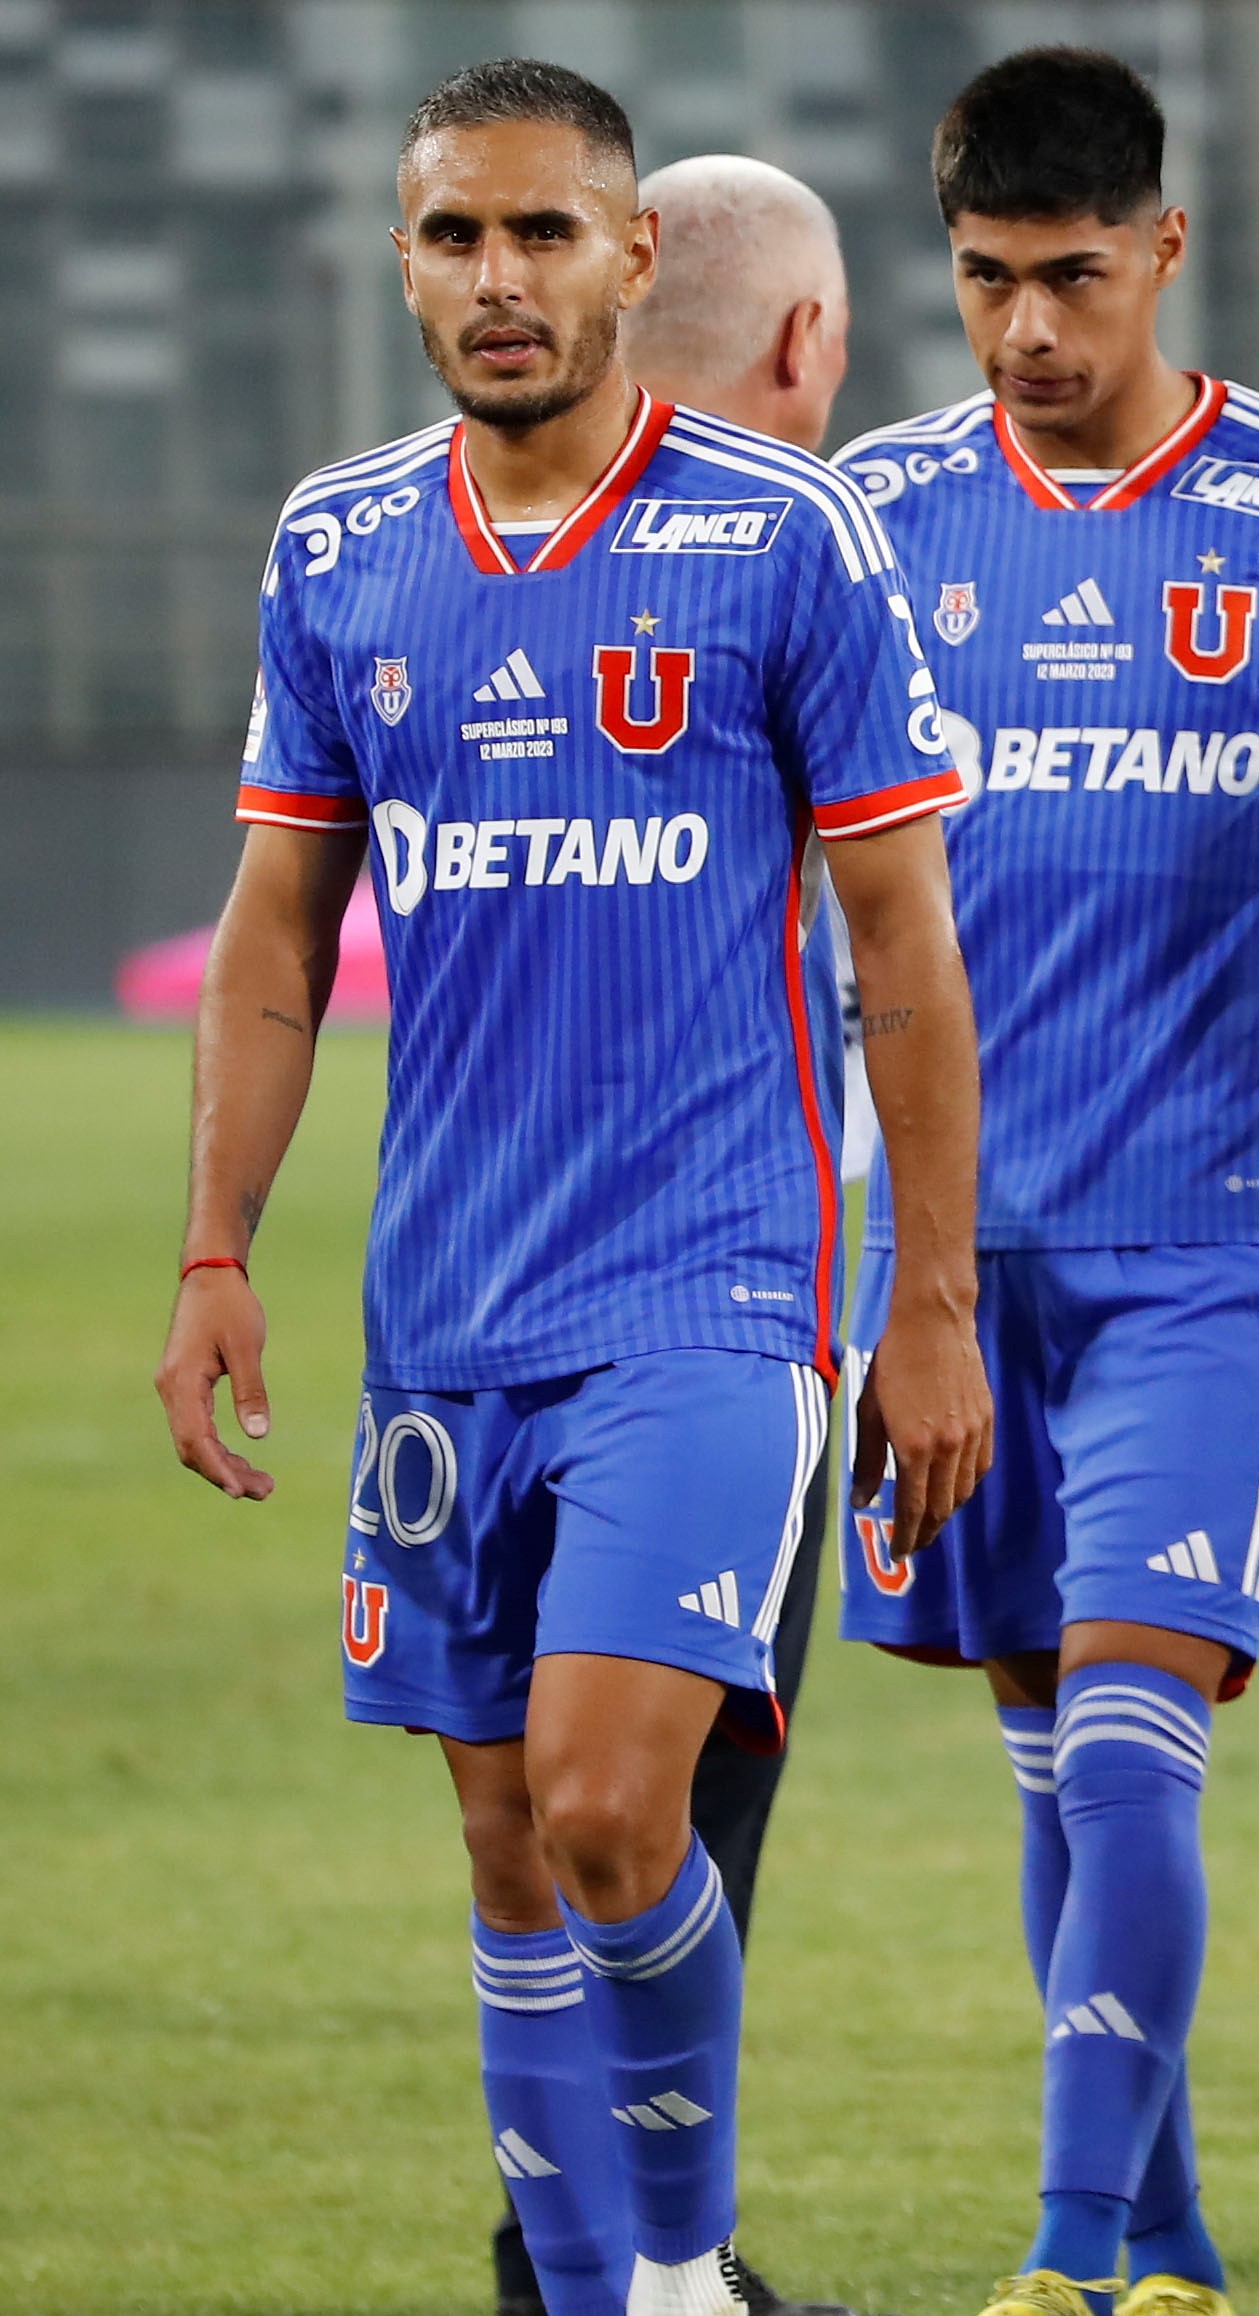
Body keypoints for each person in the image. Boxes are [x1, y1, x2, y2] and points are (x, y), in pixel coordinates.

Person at [152, 57, 990, 2316]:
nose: (499, 279)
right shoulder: (341, 546)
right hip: (446, 1311)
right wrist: (219, 1244)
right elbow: (271, 935)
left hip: (713, 1297)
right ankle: (601, 2287)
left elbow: (903, 930)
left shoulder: (780, 536)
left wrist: (930, 1302)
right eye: (455, 235)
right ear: (404, 260)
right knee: (511, 1845)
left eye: (543, 233)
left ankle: (674, 2275)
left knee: (619, 1808)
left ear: (636, 256)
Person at [825, 48, 1259, 2316]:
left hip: (1210, 1246)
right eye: (987, 285)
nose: (1029, 334)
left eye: (1071, 280)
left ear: (1164, 251)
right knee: (1049, 1760)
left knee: (1134, 1743)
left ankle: (1058, 2267)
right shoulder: (878, 513)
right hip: (943, 1255)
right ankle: (1179, 2248)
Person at [461, 148, 874, 2316]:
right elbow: (906, 955)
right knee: (654, 1809)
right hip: (734, 1294)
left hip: (468, 1300)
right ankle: (638, 2275)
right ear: (809, 340)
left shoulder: (468, 539)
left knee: (555, 1825)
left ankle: (600, 2264)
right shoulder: (818, 560)